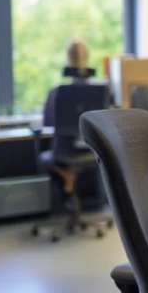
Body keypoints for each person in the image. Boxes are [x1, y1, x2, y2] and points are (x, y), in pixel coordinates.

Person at [41, 39, 91, 194]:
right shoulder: (98, 92)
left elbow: (47, 123)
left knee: (44, 156)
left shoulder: (57, 92)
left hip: (62, 151)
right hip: (91, 149)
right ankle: (70, 176)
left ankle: (67, 176)